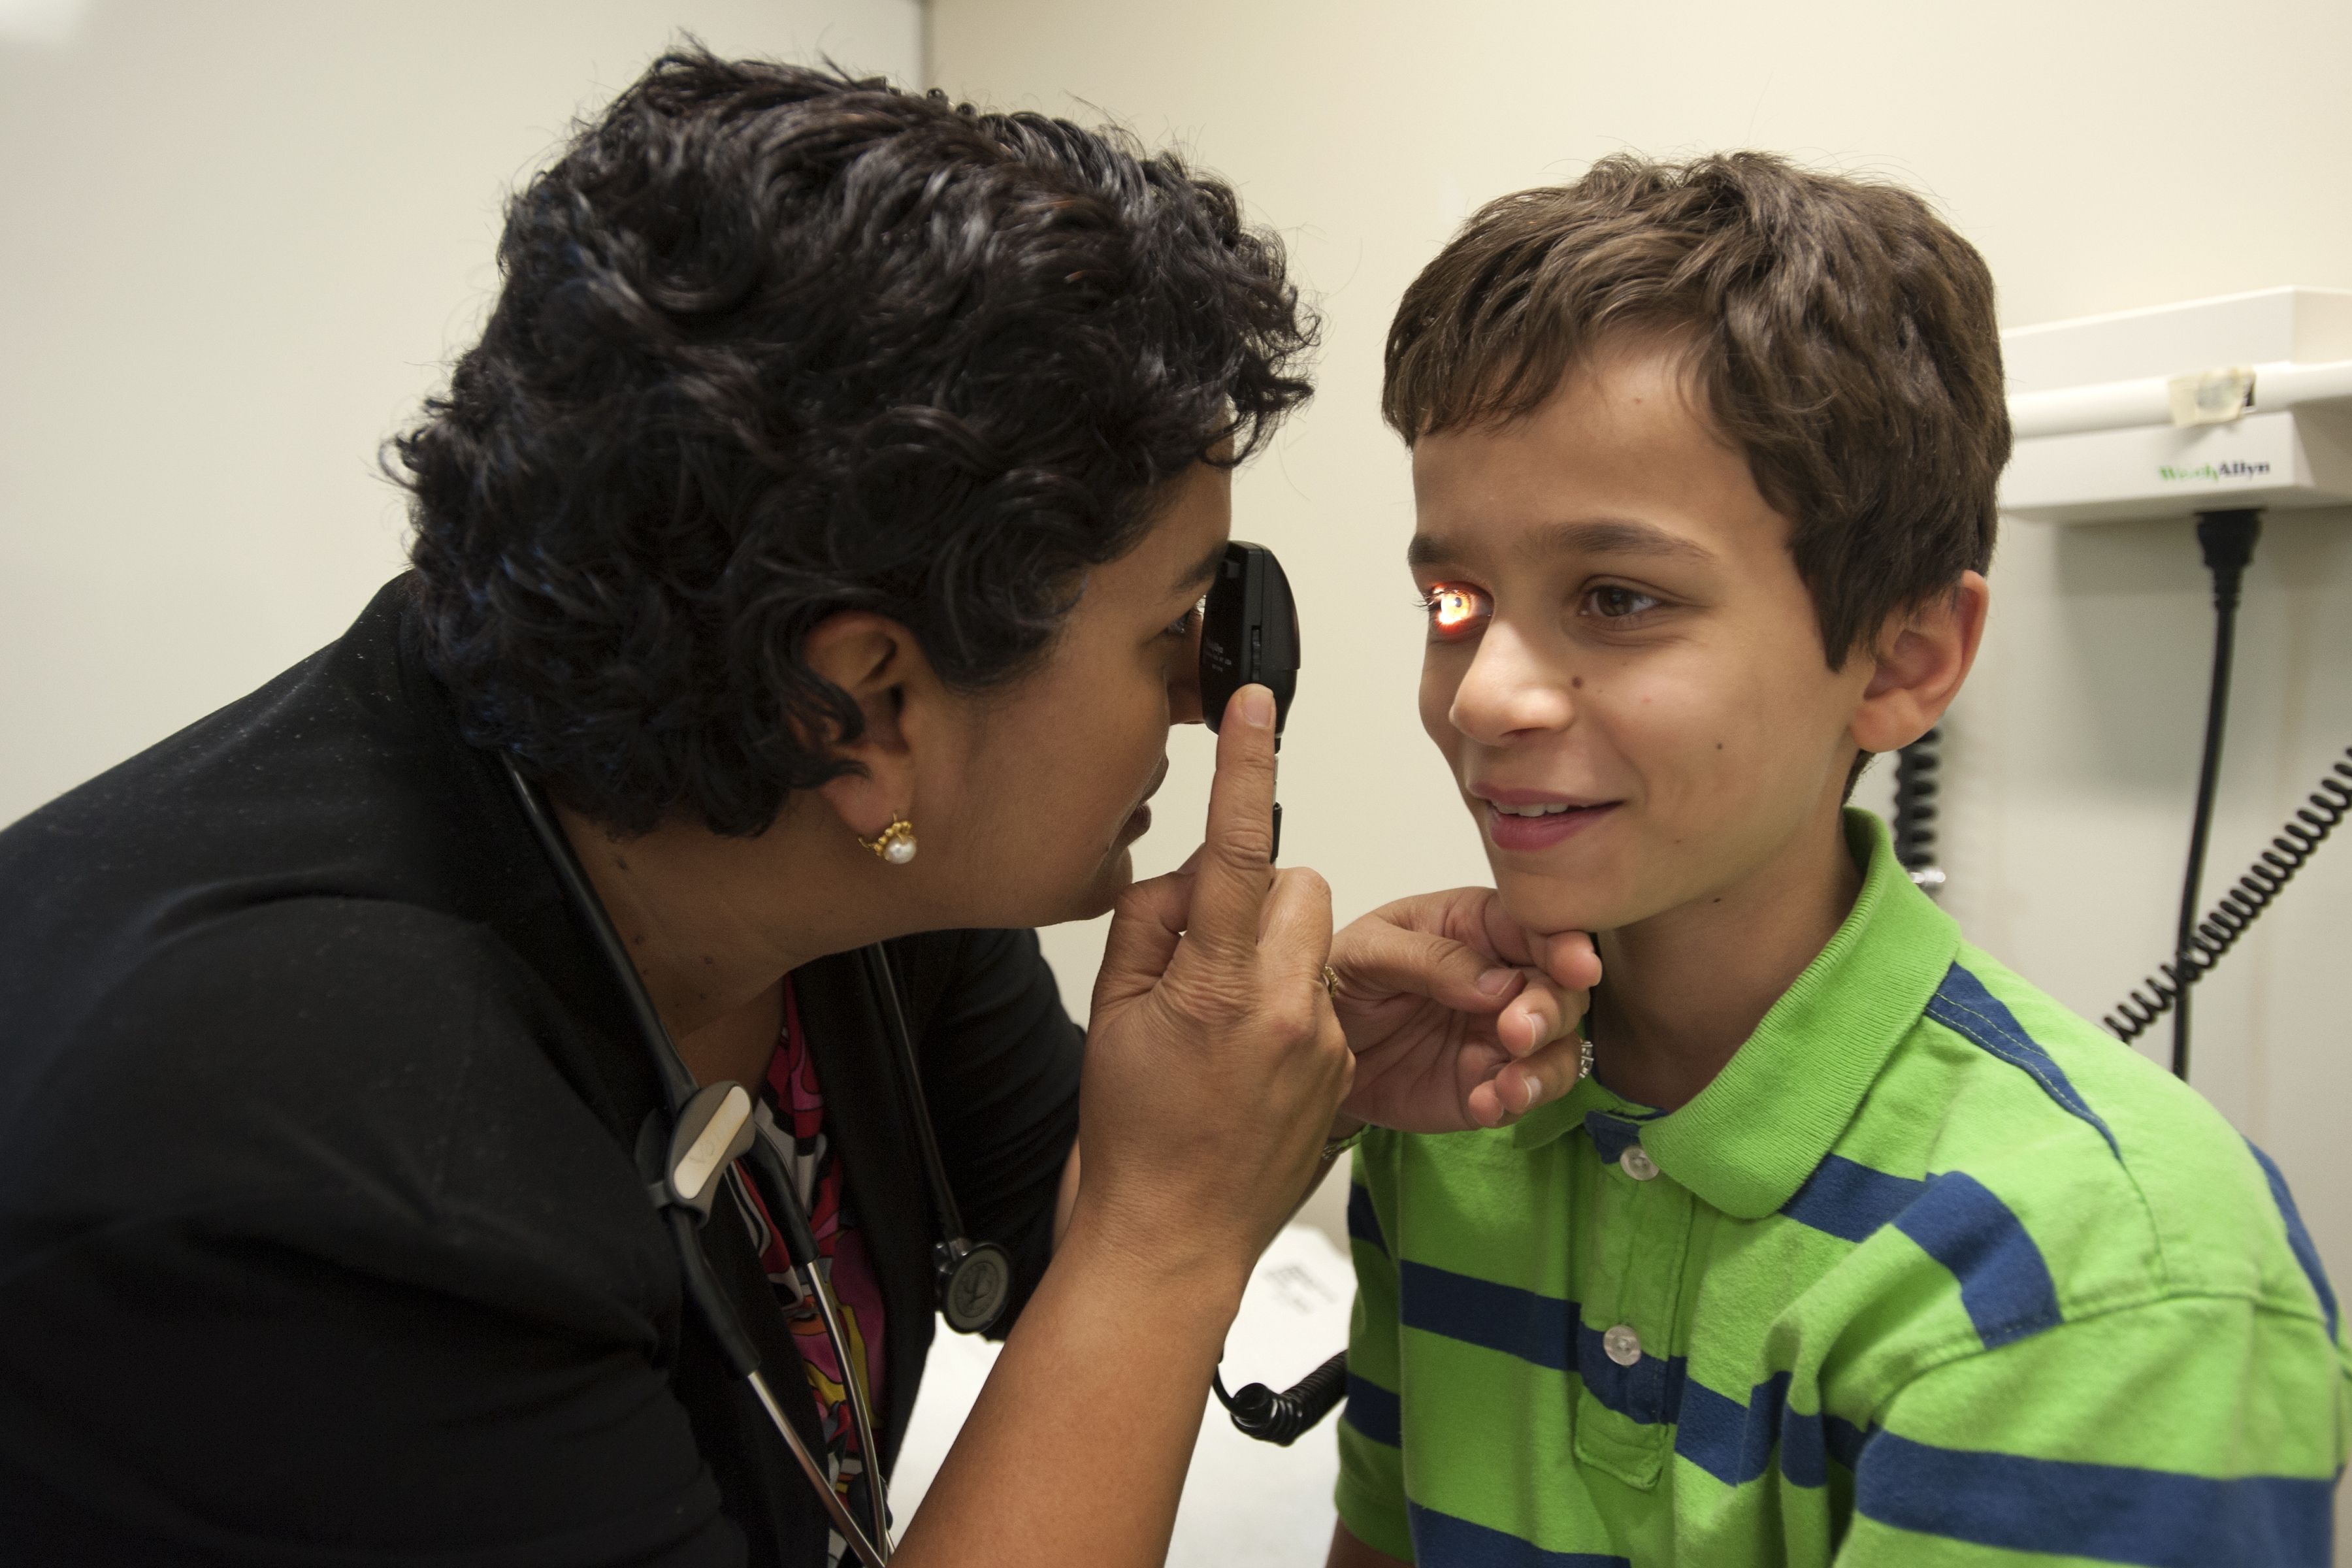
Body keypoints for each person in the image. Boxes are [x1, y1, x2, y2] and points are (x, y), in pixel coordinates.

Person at [0, 52, 1593, 1568]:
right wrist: (1169, 1232)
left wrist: (1249, 1096)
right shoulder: (299, 1167)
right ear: (864, 708)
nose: (1207, 688)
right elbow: (1122, 1256)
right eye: (1174, 622)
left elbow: (1057, 1228)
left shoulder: (833, 870)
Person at [1323, 154, 2352, 1567]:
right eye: (1455, 598)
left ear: (1905, 657)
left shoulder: (2098, 1268)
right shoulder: (1446, 1121)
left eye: (1617, 599)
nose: (1486, 694)